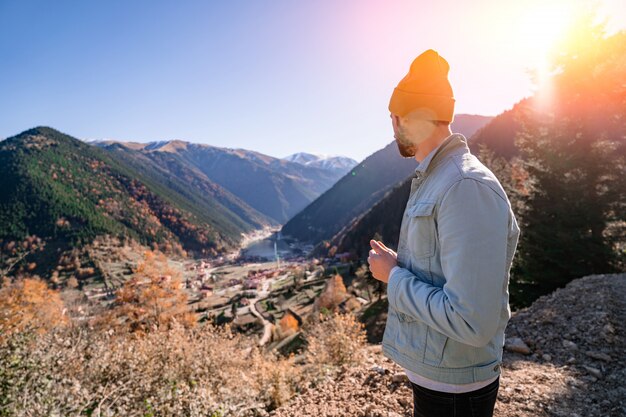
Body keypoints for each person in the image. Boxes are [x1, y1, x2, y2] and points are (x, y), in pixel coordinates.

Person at [367, 49, 520, 417]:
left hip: (455, 390)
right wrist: (400, 266)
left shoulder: (463, 185)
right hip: (444, 378)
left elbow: (470, 319)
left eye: (394, 117)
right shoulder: (440, 178)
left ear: (409, 117)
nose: (392, 128)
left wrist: (393, 276)